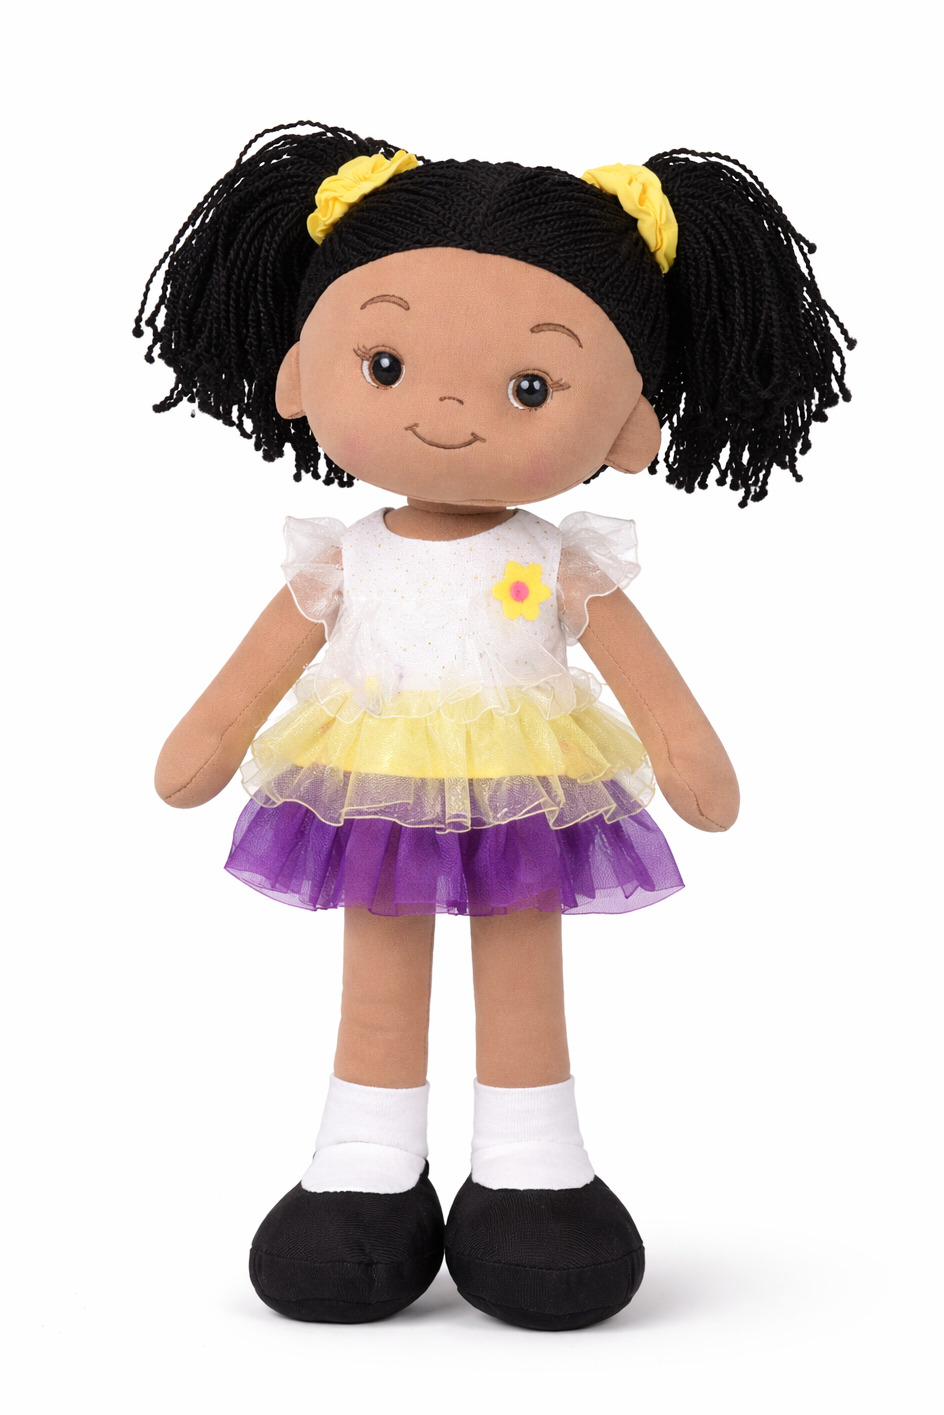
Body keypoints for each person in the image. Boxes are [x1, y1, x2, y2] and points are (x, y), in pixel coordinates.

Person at [137, 123, 852, 1330]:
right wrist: (204, 745)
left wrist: (687, 757)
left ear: (626, 428)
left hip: (526, 778)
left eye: (531, 387)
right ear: (300, 376)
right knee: (379, 962)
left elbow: (646, 679)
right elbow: (245, 684)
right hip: (373, 776)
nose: (449, 410)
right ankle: (363, 1162)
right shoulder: (344, 556)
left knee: (522, 952)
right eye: (384, 364)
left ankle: (533, 1165)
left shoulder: (552, 561)